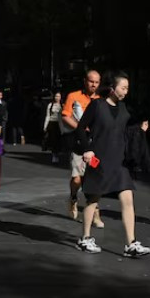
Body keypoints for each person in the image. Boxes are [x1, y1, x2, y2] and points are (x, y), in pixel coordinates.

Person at [75, 71, 150, 257]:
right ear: (112, 88)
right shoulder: (97, 105)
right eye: (123, 87)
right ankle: (85, 238)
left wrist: (139, 130)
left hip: (119, 162)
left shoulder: (124, 108)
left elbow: (124, 131)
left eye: (127, 88)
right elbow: (80, 129)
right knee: (93, 199)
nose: (126, 91)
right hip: (99, 160)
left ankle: (131, 243)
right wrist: (87, 150)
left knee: (127, 198)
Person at [61, 70, 104, 226]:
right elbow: (65, 116)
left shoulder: (101, 100)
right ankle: (73, 197)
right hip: (78, 144)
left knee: (93, 179)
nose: (94, 85)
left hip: (95, 145)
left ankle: (95, 213)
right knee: (77, 178)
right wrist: (81, 127)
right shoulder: (74, 96)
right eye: (91, 81)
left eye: (97, 82)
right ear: (85, 81)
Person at [42, 91, 63, 164]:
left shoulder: (62, 105)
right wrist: (45, 126)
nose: (57, 98)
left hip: (60, 125)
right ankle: (54, 155)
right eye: (56, 96)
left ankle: (57, 153)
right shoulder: (50, 105)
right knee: (53, 140)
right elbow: (47, 116)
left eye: (58, 96)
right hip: (52, 124)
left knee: (59, 140)